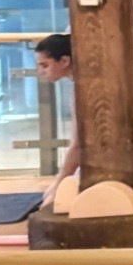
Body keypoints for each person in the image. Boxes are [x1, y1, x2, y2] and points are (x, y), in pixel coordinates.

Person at [33, 32, 79, 208]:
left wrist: (59, 183)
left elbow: (78, 145)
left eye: (45, 65)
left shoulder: (82, 89)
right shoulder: (78, 85)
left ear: (64, 61)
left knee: (52, 200)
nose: (41, 72)